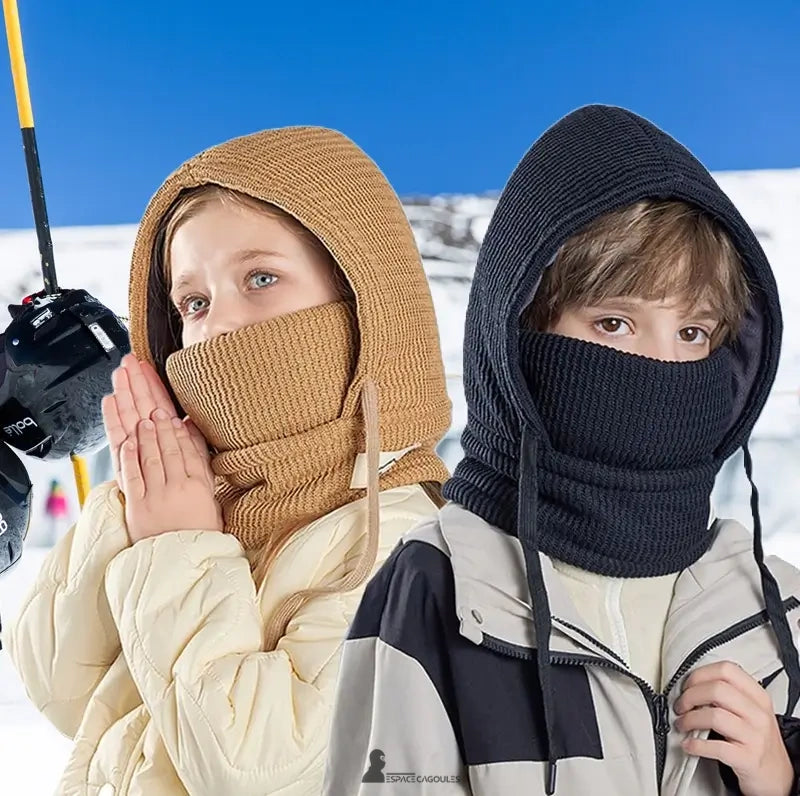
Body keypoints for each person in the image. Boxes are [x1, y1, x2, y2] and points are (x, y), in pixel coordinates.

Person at [323, 106, 800, 796]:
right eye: (615, 323)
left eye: (694, 334)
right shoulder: (441, 590)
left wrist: (780, 781)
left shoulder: (778, 605)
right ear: (519, 333)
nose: (662, 366)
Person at [8, 126, 451, 795]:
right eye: (194, 302)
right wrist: (136, 503)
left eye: (261, 278)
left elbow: (260, 773)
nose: (217, 327)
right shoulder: (206, 489)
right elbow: (58, 682)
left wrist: (177, 543)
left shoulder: (405, 545)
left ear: (367, 301)